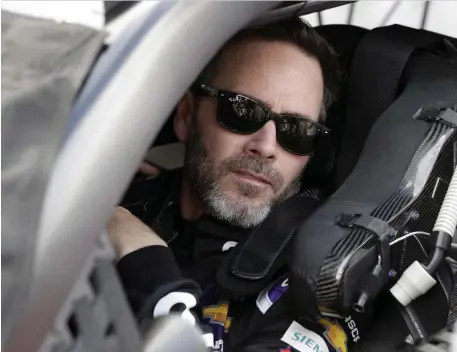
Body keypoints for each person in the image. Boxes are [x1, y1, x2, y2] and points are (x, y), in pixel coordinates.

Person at [107, 18, 350, 352]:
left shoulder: (315, 280)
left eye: (297, 130)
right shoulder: (120, 197)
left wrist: (145, 263)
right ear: (185, 115)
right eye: (243, 110)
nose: (266, 147)